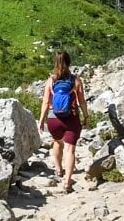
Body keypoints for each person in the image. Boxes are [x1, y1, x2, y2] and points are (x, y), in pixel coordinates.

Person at [38, 50, 89, 193]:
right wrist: (86, 117)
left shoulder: (51, 80)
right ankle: (67, 181)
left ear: (55, 63)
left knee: (57, 142)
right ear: (69, 62)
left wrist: (41, 120)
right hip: (71, 118)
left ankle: (59, 169)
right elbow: (82, 101)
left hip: (54, 119)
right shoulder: (76, 80)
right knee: (70, 149)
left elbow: (46, 102)